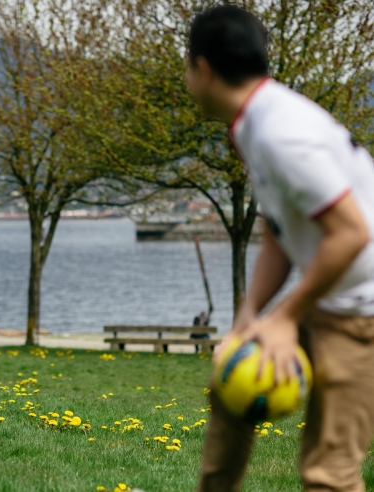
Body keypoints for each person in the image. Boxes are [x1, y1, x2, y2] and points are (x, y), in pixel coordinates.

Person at [185, 5, 374, 492]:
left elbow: (352, 233)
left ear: (202, 69)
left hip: (361, 313)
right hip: (325, 295)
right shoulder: (254, 123)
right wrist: (251, 316)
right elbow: (278, 234)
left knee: (328, 473)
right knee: (229, 396)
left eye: (187, 68)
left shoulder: (281, 133)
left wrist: (285, 318)